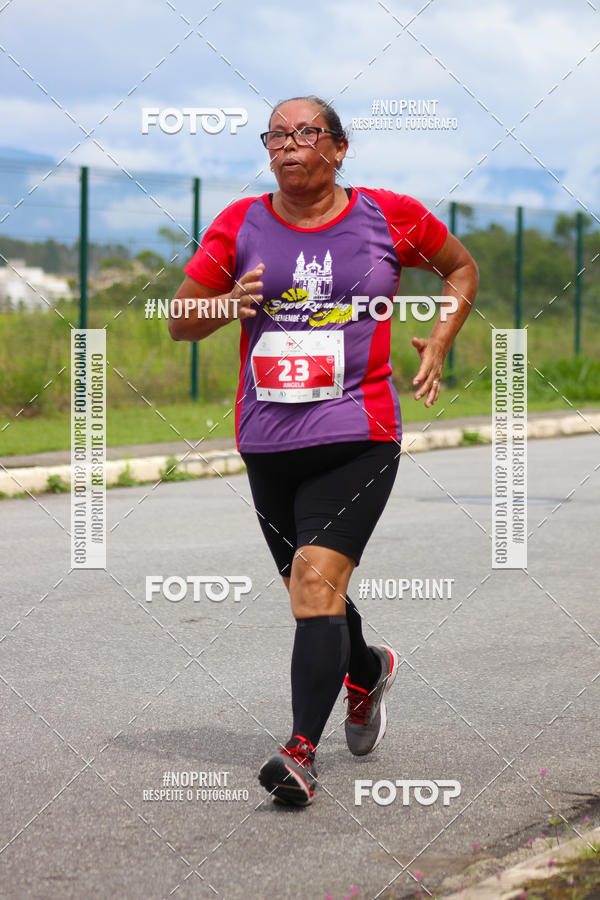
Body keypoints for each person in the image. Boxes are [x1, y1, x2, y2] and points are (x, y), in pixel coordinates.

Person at [169, 95, 479, 806]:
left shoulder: (390, 215)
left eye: (306, 133)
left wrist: (442, 334)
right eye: (276, 135)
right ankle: (365, 669)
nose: (288, 145)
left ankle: (299, 753)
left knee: (314, 584)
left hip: (358, 433)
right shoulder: (240, 223)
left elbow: (461, 270)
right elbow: (180, 321)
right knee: (317, 595)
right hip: (269, 440)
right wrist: (224, 306)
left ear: (340, 149)